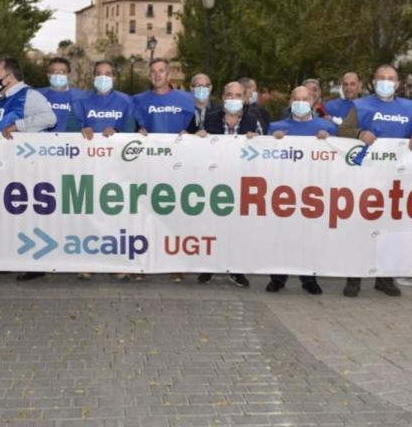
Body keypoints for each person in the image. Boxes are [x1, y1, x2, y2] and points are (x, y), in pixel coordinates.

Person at [344, 64, 412, 298]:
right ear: (374, 81)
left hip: (397, 180)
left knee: (390, 230)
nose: (386, 82)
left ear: (398, 83)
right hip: (366, 177)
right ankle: (354, 279)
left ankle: (385, 278)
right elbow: (342, 131)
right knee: (361, 228)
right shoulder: (360, 107)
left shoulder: (411, 109)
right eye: (381, 78)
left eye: (390, 78)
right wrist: (360, 134)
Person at [265, 86, 357, 295]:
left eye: (305, 99)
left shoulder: (327, 128)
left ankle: (309, 278)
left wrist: (329, 141)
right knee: (282, 236)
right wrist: (271, 141)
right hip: (283, 191)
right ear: (290, 101)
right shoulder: (275, 128)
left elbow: (339, 156)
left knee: (310, 237)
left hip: (314, 193)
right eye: (296, 99)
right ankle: (278, 278)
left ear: (313, 101)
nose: (300, 103)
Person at [0, 57, 56, 281]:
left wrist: (19, 126)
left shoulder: (30, 96)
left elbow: (50, 118)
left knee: (26, 215)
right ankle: (1, 260)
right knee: (1, 214)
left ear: (9, 77)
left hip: (23, 166)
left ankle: (35, 263)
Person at [70, 59, 136, 281]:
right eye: (99, 73)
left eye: (108, 73)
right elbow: (71, 128)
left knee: (118, 213)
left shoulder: (126, 102)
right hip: (89, 167)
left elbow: (132, 129)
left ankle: (119, 263)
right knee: (90, 214)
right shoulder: (81, 101)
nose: (103, 77)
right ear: (93, 76)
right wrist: (82, 129)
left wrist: (116, 129)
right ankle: (87, 262)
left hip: (118, 168)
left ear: (114, 77)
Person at [191, 81, 262, 288]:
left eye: (238, 95)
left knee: (237, 229)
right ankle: (208, 267)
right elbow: (196, 148)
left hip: (241, 183)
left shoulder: (252, 121)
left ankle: (236, 269)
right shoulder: (210, 119)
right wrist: (198, 138)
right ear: (222, 97)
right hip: (214, 184)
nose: (233, 99)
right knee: (211, 225)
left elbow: (266, 152)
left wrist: (257, 141)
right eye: (229, 95)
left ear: (245, 98)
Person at [134, 58, 195, 282]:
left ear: (169, 75)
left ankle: (175, 263)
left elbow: (198, 129)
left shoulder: (187, 100)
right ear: (149, 76)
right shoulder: (138, 101)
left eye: (161, 71)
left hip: (177, 167)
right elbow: (132, 129)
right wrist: (136, 133)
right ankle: (140, 262)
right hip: (147, 166)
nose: (157, 75)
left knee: (174, 215)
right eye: (153, 71)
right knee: (144, 215)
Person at [37, 57, 84, 133]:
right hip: (41, 143)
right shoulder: (37, 95)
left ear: (69, 75)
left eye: (62, 71)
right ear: (48, 75)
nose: (58, 74)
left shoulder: (81, 97)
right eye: (54, 71)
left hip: (72, 143)